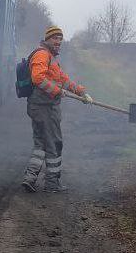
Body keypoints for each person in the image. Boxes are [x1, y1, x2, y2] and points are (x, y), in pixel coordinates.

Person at [20, 26, 93, 193]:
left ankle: (30, 178)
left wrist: (82, 92)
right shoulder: (42, 54)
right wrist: (57, 91)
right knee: (54, 143)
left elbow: (63, 79)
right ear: (47, 39)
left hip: (42, 106)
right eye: (55, 38)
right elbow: (38, 78)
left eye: (60, 39)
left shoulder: (51, 57)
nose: (58, 42)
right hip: (43, 107)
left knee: (41, 144)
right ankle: (52, 183)